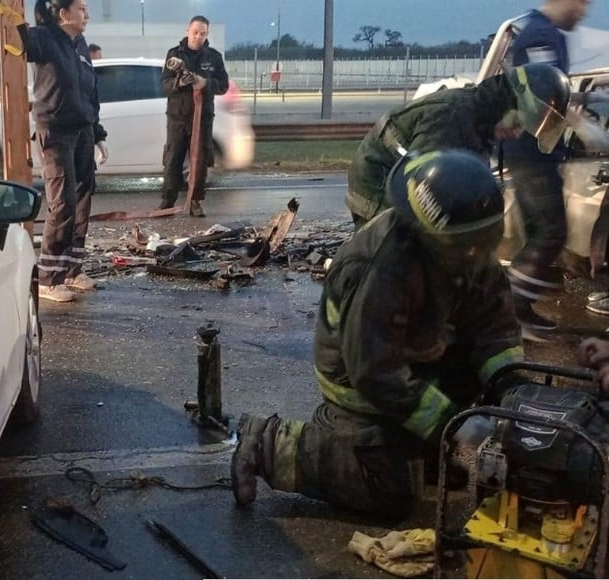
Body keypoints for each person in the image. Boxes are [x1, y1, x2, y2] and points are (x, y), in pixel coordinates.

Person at [231, 150, 525, 521]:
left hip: (422, 359)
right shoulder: (382, 268)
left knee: (464, 459)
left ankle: (425, 445)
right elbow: (373, 371)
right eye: (465, 246)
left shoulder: (465, 247)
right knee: (390, 489)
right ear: (430, 236)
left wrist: (512, 388)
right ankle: (269, 443)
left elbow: (495, 327)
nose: (476, 255)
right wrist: (450, 426)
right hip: (361, 380)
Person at [346, 63, 571, 230]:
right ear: (507, 102)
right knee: (392, 253)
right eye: (519, 122)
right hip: (378, 181)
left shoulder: (481, 123)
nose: (517, 132)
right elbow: (423, 187)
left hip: (401, 176)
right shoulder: (452, 119)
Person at [9, 0, 107, 303]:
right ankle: (49, 278)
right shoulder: (45, 38)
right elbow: (17, 32)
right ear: (63, 14)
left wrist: (98, 134)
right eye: (80, 8)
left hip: (83, 131)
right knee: (62, 203)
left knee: (81, 200)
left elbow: (91, 92)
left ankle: (72, 270)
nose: (87, 14)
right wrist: (11, 10)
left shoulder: (79, 44)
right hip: (56, 131)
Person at [503, 0, 589, 334]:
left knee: (543, 232)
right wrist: (585, 129)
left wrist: (580, 103)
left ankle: (514, 310)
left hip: (537, 152)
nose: (584, 13)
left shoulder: (545, 33)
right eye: (582, 4)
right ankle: (512, 311)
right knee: (551, 232)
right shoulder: (540, 36)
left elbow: (557, 92)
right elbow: (541, 97)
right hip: (532, 153)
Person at [158, 16, 229, 217]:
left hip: (203, 118)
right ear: (188, 30)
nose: (198, 36)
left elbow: (223, 85)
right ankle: (168, 201)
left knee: (199, 160)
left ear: (207, 34)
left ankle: (196, 201)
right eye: (195, 32)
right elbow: (164, 84)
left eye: (203, 33)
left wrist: (204, 83)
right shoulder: (174, 54)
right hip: (177, 117)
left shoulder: (213, 57)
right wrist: (179, 83)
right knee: (173, 159)